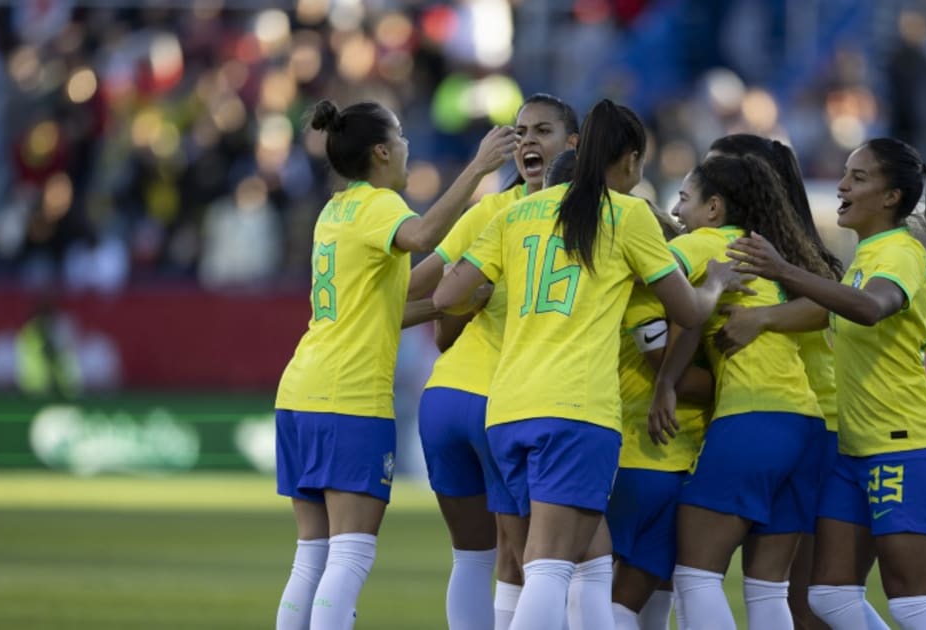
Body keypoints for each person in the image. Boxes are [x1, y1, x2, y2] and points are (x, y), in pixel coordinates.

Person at [432, 98, 748, 630]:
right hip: (576, 411)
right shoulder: (626, 215)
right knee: (549, 567)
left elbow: (445, 298)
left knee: (593, 560)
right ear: (627, 161)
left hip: (507, 409)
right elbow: (687, 310)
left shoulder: (515, 213)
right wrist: (715, 281)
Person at [272, 99, 518, 630]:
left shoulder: (333, 210)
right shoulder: (377, 204)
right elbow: (425, 237)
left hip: (299, 392)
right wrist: (478, 168)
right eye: (402, 136)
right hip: (350, 398)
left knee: (310, 557)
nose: (408, 147)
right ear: (382, 151)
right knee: (350, 556)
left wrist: (463, 301)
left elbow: (381, 308)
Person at [727, 137, 926, 630]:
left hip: (903, 442)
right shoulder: (867, 254)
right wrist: (765, 317)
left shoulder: (901, 252)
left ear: (891, 197)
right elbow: (835, 308)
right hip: (854, 448)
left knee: (911, 602)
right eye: (845, 173)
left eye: (859, 177)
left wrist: (784, 271)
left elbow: (869, 308)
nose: (842, 185)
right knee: (830, 596)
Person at [405, 94, 579, 630]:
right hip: (512, 406)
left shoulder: (491, 213)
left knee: (476, 559)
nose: (528, 140)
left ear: (574, 145)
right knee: (540, 564)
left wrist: (447, 307)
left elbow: (414, 295)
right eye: (521, 131)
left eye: (542, 131)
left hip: (444, 402)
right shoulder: (599, 219)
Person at [651, 154, 835, 630]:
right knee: (768, 586)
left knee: (695, 574)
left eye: (684, 199)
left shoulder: (706, 241)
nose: (675, 211)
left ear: (715, 208)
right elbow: (824, 305)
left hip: (752, 416)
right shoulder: (760, 248)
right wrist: (668, 380)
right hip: (806, 423)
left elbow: (649, 268)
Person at [707, 133, 846, 630]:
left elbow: (831, 305)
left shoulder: (788, 254)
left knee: (807, 598)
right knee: (783, 593)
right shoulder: (745, 247)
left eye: (717, 171)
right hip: (788, 424)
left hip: (816, 426)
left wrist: (762, 318)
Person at [607, 198, 714, 630]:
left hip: (640, 459)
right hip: (652, 458)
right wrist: (737, 387)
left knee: (639, 594)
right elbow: (673, 374)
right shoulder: (642, 299)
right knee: (620, 602)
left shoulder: (627, 293)